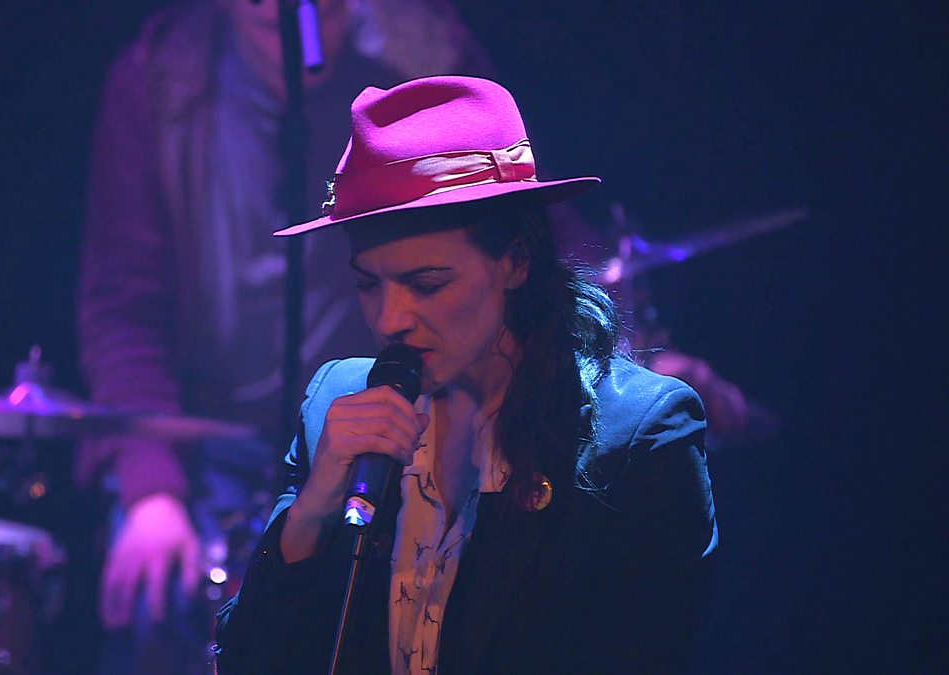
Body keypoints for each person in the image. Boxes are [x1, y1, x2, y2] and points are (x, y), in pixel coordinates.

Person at [214, 76, 718, 673]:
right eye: (368, 285)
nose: (390, 319)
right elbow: (249, 660)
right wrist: (312, 513)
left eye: (427, 284)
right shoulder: (336, 403)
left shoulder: (637, 436)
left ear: (516, 261)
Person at [75, 1, 490, 671]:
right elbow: (125, 305)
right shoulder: (160, 79)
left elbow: (523, 235)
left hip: (392, 423)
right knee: (156, 603)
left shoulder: (426, 58)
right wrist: (151, 487)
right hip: (208, 443)